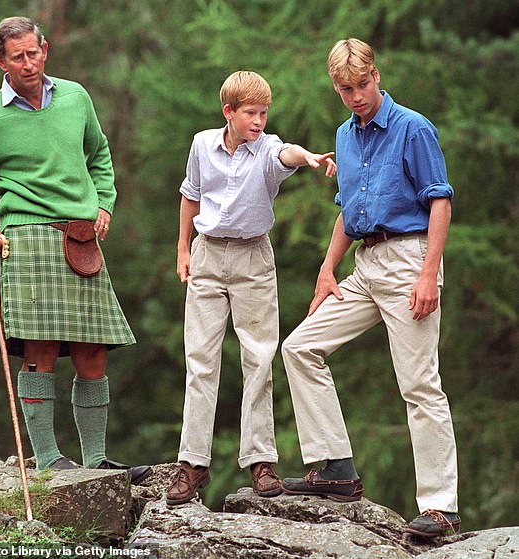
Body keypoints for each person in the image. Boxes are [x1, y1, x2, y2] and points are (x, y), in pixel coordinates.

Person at [0, 16, 150, 483]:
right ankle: (47, 458)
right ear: (1, 61)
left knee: (93, 352)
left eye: (33, 52)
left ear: (45, 48)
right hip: (28, 237)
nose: (28, 63)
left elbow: (99, 155)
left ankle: (96, 460)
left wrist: (104, 205)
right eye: (17, 56)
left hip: (81, 235)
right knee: (40, 350)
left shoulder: (76, 98)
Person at [280, 38, 459, 538]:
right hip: (366, 263)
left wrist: (429, 272)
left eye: (362, 85)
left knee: (419, 383)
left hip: (409, 259)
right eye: (345, 89)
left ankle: (441, 506)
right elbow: (347, 209)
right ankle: (334, 468)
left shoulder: (413, 128)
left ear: (376, 75)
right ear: (335, 88)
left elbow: (440, 201)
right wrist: (326, 269)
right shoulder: (345, 134)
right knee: (300, 347)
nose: (356, 96)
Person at [166, 70, 336, 505]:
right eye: (250, 114)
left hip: (253, 258)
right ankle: (192, 463)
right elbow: (191, 195)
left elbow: (287, 154)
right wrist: (184, 249)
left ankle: (260, 461)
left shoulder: (267, 149)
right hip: (207, 254)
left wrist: (311, 158)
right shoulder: (203, 144)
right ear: (229, 113)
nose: (259, 121)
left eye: (264, 113)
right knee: (200, 359)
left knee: (259, 357)